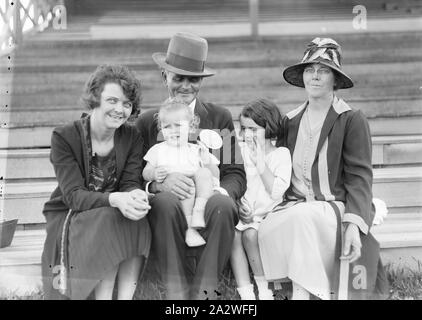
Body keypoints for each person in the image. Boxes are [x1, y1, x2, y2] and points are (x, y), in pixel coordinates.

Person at [258, 37, 388, 300]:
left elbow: (360, 177)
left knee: (303, 217)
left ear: (335, 79)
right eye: (309, 70)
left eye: (324, 70)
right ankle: (297, 289)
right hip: (294, 206)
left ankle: (303, 294)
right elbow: (280, 170)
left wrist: (354, 223)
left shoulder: (350, 119)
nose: (315, 76)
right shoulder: (290, 121)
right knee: (267, 226)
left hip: (332, 206)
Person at [135, 32, 246, 300]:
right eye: (178, 77)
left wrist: (216, 191)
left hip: (207, 202)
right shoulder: (148, 121)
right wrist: (158, 184)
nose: (185, 85)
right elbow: (134, 174)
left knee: (223, 206)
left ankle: (204, 294)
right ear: (165, 77)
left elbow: (236, 173)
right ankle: (177, 293)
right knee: (164, 202)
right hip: (167, 205)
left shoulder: (220, 117)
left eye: (193, 79)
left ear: (201, 81)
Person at [41, 64, 151, 300]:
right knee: (110, 217)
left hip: (114, 209)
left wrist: (135, 194)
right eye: (112, 100)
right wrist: (115, 199)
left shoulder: (131, 136)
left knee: (137, 218)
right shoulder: (64, 136)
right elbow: (73, 195)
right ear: (95, 100)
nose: (119, 109)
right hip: (72, 211)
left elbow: (130, 182)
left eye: (126, 104)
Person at [230, 98, 291, 300]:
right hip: (244, 212)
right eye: (245, 128)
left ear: (269, 128)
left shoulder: (280, 154)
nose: (248, 134)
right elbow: (234, 181)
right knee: (234, 235)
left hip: (269, 214)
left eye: (254, 129)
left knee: (249, 235)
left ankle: (264, 288)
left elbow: (275, 192)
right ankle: (245, 292)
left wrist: (259, 162)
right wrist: (238, 205)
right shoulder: (239, 152)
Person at [142, 98, 220, 247]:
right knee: (187, 186)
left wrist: (207, 161)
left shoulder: (197, 149)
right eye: (167, 127)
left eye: (177, 125)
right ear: (161, 130)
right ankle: (190, 228)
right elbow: (146, 171)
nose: (173, 131)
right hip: (177, 192)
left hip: (200, 195)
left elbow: (215, 175)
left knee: (204, 173)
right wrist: (154, 174)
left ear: (191, 128)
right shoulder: (158, 150)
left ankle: (200, 210)